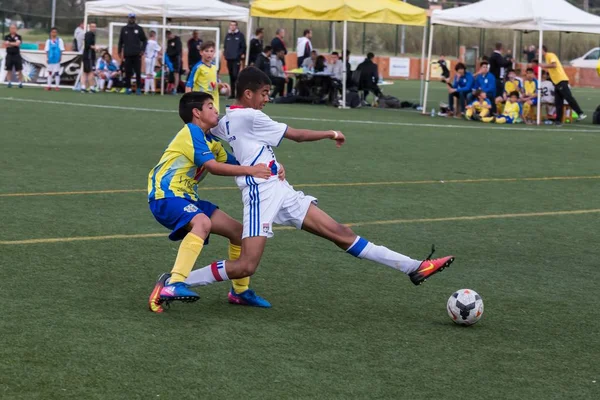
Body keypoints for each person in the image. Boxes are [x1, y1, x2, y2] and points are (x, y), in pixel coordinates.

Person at [175, 67, 455, 301]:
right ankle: (177, 282)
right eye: (263, 94)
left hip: (279, 189)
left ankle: (415, 267)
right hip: (260, 192)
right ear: (248, 94)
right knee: (247, 265)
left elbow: (216, 132)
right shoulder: (250, 116)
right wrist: (331, 132)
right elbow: (297, 135)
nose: (266, 99)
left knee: (339, 232)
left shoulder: (227, 120)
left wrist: (273, 165)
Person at [146, 92, 278, 312]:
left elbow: (239, 162)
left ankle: (240, 292)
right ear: (197, 113)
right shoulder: (191, 132)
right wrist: (251, 170)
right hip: (165, 196)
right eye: (209, 106)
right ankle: (173, 283)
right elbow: (213, 167)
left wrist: (273, 168)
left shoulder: (211, 142)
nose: (216, 110)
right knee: (202, 223)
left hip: (188, 198)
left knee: (238, 232)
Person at [540, 45, 586, 126]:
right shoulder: (547, 58)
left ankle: (580, 113)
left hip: (561, 80)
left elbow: (554, 65)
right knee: (558, 103)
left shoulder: (550, 55)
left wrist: (543, 66)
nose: (537, 52)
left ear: (543, 50)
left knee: (568, 97)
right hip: (556, 82)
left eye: (538, 50)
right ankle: (558, 121)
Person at [118, 13, 147, 95]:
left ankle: (138, 88)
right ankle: (128, 88)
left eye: (133, 18)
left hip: (137, 54)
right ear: (128, 18)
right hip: (127, 54)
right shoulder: (124, 29)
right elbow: (120, 41)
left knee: (138, 72)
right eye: (130, 18)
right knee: (127, 72)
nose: (132, 19)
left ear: (135, 19)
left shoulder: (139, 29)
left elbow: (144, 40)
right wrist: (119, 51)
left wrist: (142, 50)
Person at [186, 41, 219, 110]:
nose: (209, 53)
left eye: (211, 51)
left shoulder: (214, 67)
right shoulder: (198, 67)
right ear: (201, 52)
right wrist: (188, 100)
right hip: (201, 102)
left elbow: (215, 84)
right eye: (206, 51)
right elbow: (189, 84)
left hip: (214, 103)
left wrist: (222, 86)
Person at [224, 21, 246, 99]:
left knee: (235, 75)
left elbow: (243, 47)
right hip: (229, 59)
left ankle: (238, 93)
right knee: (231, 76)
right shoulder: (227, 36)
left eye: (234, 25)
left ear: (236, 26)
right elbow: (225, 46)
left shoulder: (240, 35)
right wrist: (226, 55)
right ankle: (232, 94)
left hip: (236, 59)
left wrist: (239, 55)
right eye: (231, 25)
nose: (232, 27)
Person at [44, 27, 64, 91]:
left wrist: (60, 57)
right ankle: (49, 86)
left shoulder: (59, 40)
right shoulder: (48, 41)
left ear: (57, 33)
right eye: (53, 32)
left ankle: (57, 86)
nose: (54, 33)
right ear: (50, 33)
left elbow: (61, 49)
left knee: (57, 72)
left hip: (57, 58)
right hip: (50, 58)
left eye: (55, 32)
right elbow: (47, 50)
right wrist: (47, 58)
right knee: (49, 72)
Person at [4, 24, 23, 88]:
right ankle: (9, 82)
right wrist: (13, 44)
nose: (12, 29)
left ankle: (20, 83)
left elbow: (18, 44)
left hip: (16, 55)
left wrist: (10, 43)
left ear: (16, 29)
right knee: (9, 69)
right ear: (9, 29)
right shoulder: (7, 36)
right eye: (11, 28)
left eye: (14, 28)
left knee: (19, 69)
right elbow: (6, 44)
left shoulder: (19, 36)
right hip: (9, 55)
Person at [81, 23, 97, 93]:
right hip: (88, 56)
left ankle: (83, 87)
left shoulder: (91, 34)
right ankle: (92, 87)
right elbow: (87, 45)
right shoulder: (89, 34)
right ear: (90, 27)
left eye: (95, 27)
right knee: (90, 71)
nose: (94, 28)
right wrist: (95, 47)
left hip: (87, 55)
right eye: (92, 27)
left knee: (85, 72)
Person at [165, 30, 182, 95]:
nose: (168, 38)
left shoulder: (177, 40)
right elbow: (168, 49)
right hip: (170, 60)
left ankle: (175, 89)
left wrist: (170, 54)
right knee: (170, 74)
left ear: (170, 34)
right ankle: (169, 89)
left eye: (168, 36)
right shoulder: (169, 41)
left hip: (176, 59)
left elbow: (178, 50)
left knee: (176, 74)